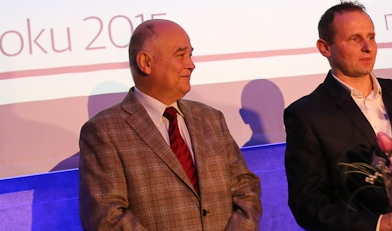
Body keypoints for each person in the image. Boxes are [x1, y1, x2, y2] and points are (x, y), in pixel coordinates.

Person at [79, 19, 262, 230]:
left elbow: (246, 188)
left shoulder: (211, 119)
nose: (191, 64)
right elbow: (106, 217)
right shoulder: (104, 131)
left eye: (190, 55)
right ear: (145, 63)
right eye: (181, 55)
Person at [284, 0, 392, 230]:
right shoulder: (307, 114)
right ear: (325, 48)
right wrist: (379, 225)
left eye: (371, 37)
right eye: (354, 39)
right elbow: (307, 204)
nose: (368, 47)